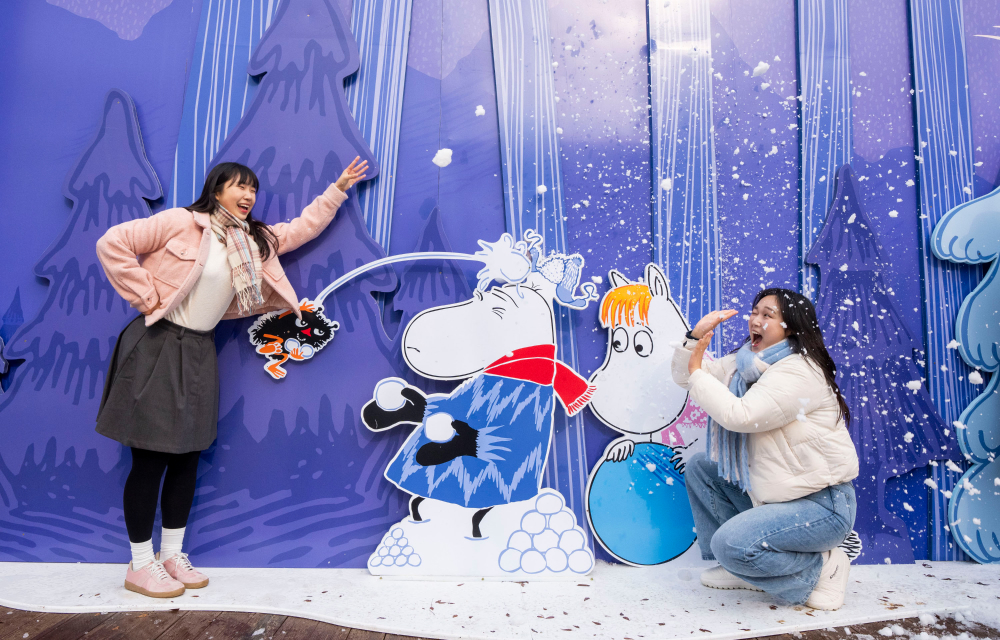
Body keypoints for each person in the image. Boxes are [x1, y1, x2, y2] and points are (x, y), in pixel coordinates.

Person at [95, 158, 367, 598]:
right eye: (239, 186)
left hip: (200, 349)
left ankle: (172, 556)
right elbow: (113, 243)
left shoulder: (254, 241)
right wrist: (146, 295)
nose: (248, 196)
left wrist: (336, 189)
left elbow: (302, 228)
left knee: (187, 455)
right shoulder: (180, 222)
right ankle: (140, 564)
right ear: (216, 189)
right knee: (150, 457)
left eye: (253, 190)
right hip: (159, 344)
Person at [671, 288, 859, 610]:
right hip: (775, 497)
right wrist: (693, 339)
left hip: (822, 506)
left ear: (791, 327)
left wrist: (698, 372)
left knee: (730, 544)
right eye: (754, 311)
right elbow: (687, 378)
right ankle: (748, 570)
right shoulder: (745, 363)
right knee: (703, 468)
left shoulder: (800, 370)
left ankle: (825, 567)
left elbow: (741, 416)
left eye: (767, 315)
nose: (755, 320)